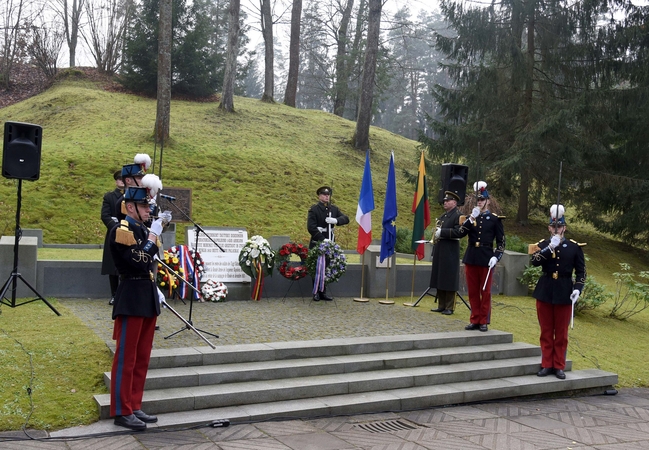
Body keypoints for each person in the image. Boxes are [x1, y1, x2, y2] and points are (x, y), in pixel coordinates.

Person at [109, 186, 166, 431]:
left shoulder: (142, 229)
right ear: (130, 207)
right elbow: (137, 261)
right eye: (144, 206)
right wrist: (152, 238)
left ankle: (134, 404)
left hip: (146, 296)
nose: (148, 210)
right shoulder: (121, 230)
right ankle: (122, 410)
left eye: (148, 206)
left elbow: (150, 264)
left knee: (142, 357)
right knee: (126, 358)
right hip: (131, 297)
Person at [530, 204, 586, 380]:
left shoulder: (574, 247)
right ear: (549, 228)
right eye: (553, 226)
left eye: (559, 226)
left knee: (561, 333)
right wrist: (549, 248)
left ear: (564, 228)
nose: (556, 229)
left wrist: (577, 289)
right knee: (546, 330)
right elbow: (534, 261)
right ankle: (547, 364)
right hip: (545, 289)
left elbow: (581, 272)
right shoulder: (542, 245)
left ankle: (559, 365)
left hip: (564, 291)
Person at [460, 181, 505, 331]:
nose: (479, 202)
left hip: (486, 257)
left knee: (485, 291)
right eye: (478, 200)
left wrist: (496, 257)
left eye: (482, 200)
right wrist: (471, 219)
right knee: (472, 291)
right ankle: (475, 318)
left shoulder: (494, 219)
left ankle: (484, 320)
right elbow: (461, 233)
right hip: (472, 256)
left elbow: (501, 243)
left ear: (488, 201)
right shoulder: (471, 217)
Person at [307, 186, 349, 301]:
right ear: (319, 196)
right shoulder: (314, 209)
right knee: (316, 268)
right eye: (324, 194)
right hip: (318, 242)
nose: (326, 196)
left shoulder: (333, 209)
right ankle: (315, 292)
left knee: (326, 267)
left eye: (328, 195)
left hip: (330, 241)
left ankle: (323, 292)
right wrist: (322, 238)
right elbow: (311, 227)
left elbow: (346, 218)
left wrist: (336, 220)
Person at [429, 191, 468, 315]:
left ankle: (449, 307)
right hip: (440, 249)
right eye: (444, 201)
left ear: (454, 203)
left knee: (449, 278)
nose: (445, 202)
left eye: (448, 201)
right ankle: (441, 305)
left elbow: (460, 232)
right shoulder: (443, 216)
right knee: (440, 277)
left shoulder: (459, 216)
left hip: (450, 250)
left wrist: (443, 232)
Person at [101, 170, 125, 306]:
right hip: (114, 234)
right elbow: (105, 215)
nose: (122, 181)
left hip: (129, 233)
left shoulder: (131, 196)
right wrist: (115, 227)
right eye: (119, 179)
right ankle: (114, 294)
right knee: (113, 265)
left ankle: (125, 294)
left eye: (124, 179)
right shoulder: (109, 197)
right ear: (116, 181)